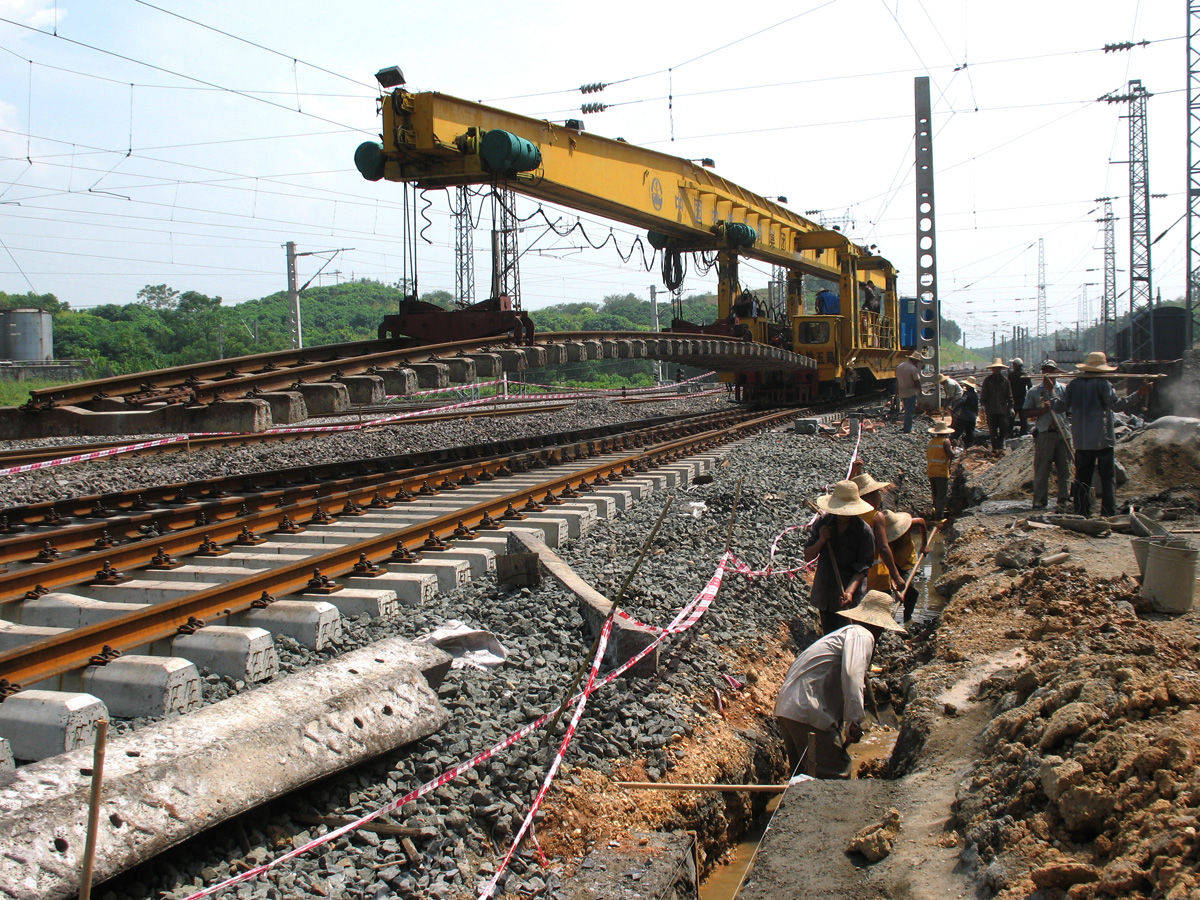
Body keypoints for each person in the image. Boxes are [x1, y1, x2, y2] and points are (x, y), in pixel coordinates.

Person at [774, 590, 905, 778]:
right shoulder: (862, 635)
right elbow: (852, 675)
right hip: (808, 710)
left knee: (802, 778)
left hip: (789, 708)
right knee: (837, 774)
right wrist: (854, 720)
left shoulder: (843, 635)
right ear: (881, 626)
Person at [1060, 350, 1138, 517]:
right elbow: (1116, 406)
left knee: (1082, 478)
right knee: (1107, 478)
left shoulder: (1073, 385)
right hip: (1103, 440)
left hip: (1081, 440)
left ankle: (1081, 511)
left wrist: (1049, 395)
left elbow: (1060, 407)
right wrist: (1139, 394)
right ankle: (1109, 512)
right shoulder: (1104, 385)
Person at [803, 481, 876, 636]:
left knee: (848, 635)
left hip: (849, 595)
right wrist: (822, 540)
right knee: (829, 635)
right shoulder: (823, 523)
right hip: (826, 592)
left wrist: (849, 591)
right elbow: (808, 555)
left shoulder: (863, 532)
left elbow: (863, 568)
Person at [1022, 359, 1070, 511]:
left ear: (1056, 372)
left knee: (1064, 468)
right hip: (1045, 433)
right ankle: (1040, 500)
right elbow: (1026, 411)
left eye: (1051, 370)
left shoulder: (1064, 390)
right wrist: (1042, 411)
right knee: (1042, 468)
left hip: (1062, 433)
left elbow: (1069, 408)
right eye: (1045, 370)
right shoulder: (1035, 391)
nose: (1048, 373)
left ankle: (1064, 499)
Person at [851, 472, 904, 597]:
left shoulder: (849, 516)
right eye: (877, 493)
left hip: (852, 576)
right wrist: (896, 576)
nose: (879, 497)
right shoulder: (876, 517)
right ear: (869, 496)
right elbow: (883, 548)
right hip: (875, 576)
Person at [873, 509, 929, 622]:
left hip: (907, 560)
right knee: (886, 592)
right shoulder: (880, 537)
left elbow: (922, 522)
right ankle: (884, 621)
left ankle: (907, 617)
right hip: (890, 563)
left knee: (911, 591)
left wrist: (924, 545)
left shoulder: (907, 524)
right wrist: (895, 589)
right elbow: (883, 561)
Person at [980, 358, 1014, 451]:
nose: (996, 370)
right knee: (992, 429)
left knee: (1003, 427)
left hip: (1002, 409)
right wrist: (982, 405)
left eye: (998, 368)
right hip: (990, 409)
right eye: (995, 368)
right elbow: (984, 394)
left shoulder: (1005, 381)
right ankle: (995, 447)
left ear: (1000, 369)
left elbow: (1009, 395)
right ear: (992, 369)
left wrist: (1011, 407)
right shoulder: (988, 380)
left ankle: (1001, 442)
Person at [926, 420, 956, 520]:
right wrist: (954, 447)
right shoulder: (945, 441)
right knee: (941, 495)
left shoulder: (931, 442)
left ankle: (935, 511)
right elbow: (951, 455)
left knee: (935, 494)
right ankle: (939, 516)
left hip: (931, 471)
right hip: (941, 472)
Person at [895, 350, 922, 433]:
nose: (917, 364)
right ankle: (908, 429)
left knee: (906, 410)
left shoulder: (899, 366)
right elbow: (917, 381)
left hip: (902, 392)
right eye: (917, 362)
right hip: (910, 392)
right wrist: (920, 391)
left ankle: (906, 427)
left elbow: (897, 381)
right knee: (909, 412)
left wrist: (897, 391)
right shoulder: (913, 368)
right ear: (915, 361)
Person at [951, 376, 979, 446]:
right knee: (969, 434)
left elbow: (962, 401)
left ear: (968, 385)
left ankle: (951, 447)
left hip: (964, 417)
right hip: (972, 418)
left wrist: (955, 409)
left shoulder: (967, 394)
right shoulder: (975, 395)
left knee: (955, 434)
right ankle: (969, 448)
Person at [1009, 358, 1032, 435]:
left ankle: (1009, 432)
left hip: (1013, 399)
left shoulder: (1011, 375)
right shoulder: (1025, 375)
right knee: (1023, 418)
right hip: (1022, 399)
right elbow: (1030, 387)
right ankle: (1023, 432)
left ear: (1016, 365)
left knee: (1011, 418)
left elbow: (1008, 388)